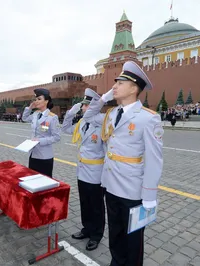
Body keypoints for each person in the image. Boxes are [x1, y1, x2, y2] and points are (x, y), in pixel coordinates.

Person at [83, 61, 163, 266]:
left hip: (133, 191)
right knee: (115, 235)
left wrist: (150, 195)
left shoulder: (148, 119)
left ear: (134, 88)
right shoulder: (111, 115)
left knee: (133, 241)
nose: (114, 86)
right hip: (110, 185)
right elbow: (88, 115)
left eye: (119, 83)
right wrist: (103, 99)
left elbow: (154, 160)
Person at [61, 88, 105, 251]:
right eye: (83, 105)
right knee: (85, 203)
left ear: (94, 107)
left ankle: (96, 235)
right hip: (82, 170)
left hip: (96, 173)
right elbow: (65, 128)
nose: (83, 108)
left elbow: (107, 151)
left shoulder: (102, 126)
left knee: (96, 206)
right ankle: (87, 229)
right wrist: (71, 112)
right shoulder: (81, 124)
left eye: (86, 106)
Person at [22, 88, 61, 177]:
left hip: (44, 156)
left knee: (44, 183)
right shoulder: (35, 114)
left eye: (39, 99)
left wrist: (40, 140)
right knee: (32, 181)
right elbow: (24, 118)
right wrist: (30, 108)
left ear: (46, 101)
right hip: (33, 155)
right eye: (35, 99)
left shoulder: (52, 117)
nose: (36, 101)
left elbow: (57, 137)